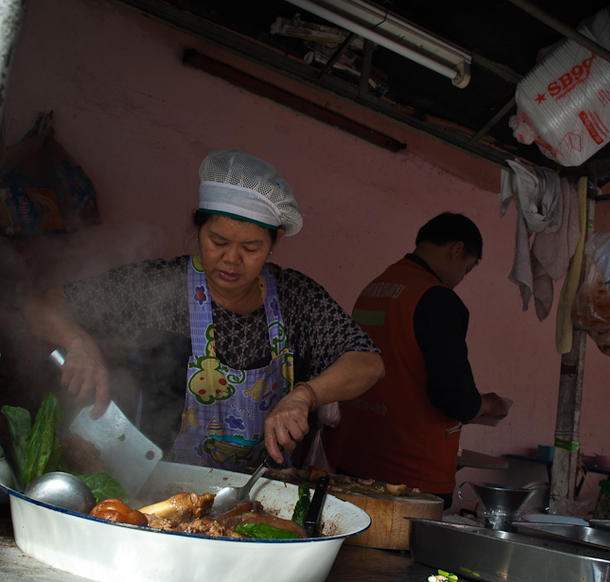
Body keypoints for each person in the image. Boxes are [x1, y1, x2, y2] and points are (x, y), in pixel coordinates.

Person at [25, 149, 384, 470]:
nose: (232, 259)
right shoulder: (160, 286)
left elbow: (368, 362)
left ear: (274, 244)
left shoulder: (296, 298)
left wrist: (306, 395)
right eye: (219, 241)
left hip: (260, 501)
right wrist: (77, 342)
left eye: (251, 247)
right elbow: (42, 305)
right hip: (158, 495)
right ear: (199, 230)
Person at [324, 212, 510, 507]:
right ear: (457, 249)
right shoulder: (437, 298)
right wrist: (490, 404)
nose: (461, 278)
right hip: (410, 475)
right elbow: (454, 397)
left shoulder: (376, 288)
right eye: (468, 268)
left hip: (354, 457)